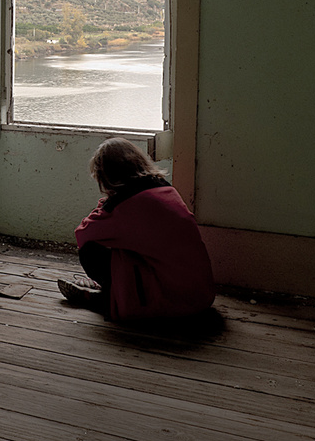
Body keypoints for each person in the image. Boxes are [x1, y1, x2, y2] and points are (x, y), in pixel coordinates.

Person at [58, 137, 215, 321]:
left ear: (106, 176)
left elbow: (83, 234)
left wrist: (107, 202)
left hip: (173, 302)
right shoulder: (164, 188)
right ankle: (114, 291)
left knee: (90, 251)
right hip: (201, 296)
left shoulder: (124, 203)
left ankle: (109, 298)